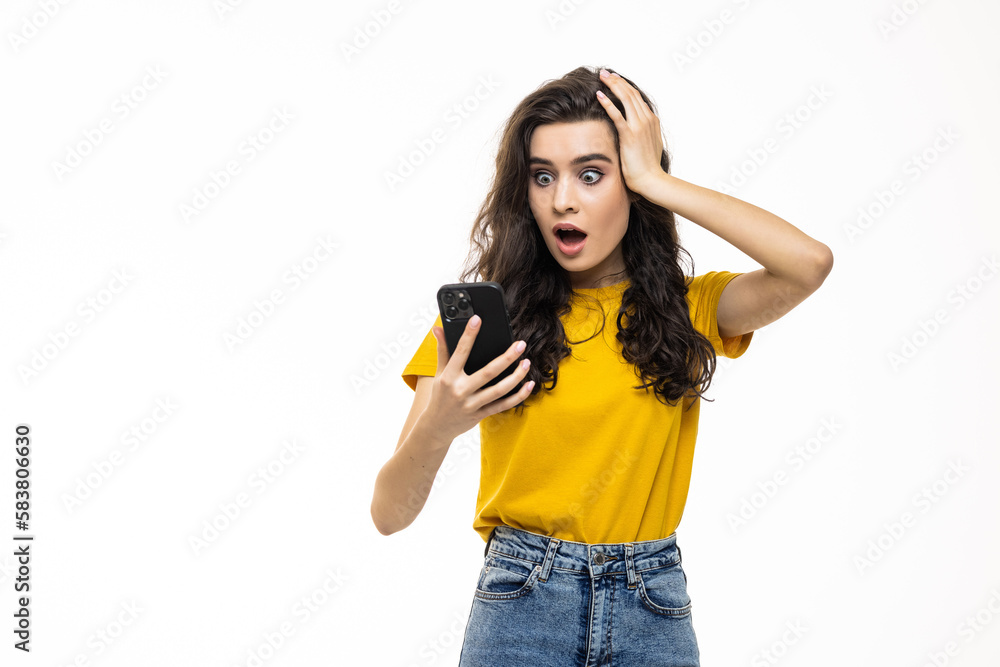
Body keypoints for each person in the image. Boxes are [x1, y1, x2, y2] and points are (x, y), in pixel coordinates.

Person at [371, 65, 833, 666]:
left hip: (653, 605)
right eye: (543, 177)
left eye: (592, 175)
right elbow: (387, 513)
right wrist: (440, 422)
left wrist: (658, 180)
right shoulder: (485, 324)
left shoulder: (689, 308)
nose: (563, 199)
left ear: (632, 188)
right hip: (521, 602)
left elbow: (809, 264)